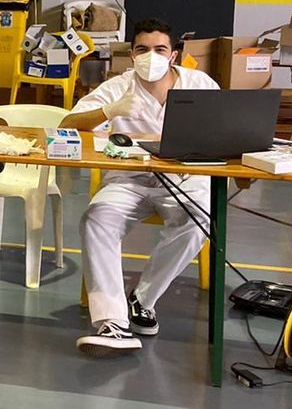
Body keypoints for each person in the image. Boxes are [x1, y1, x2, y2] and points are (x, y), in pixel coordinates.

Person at [60, 18, 218, 357]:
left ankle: (143, 300)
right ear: (132, 54)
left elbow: (224, 131)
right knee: (96, 219)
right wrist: (108, 110)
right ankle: (111, 322)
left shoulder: (199, 84)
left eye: (160, 49)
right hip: (129, 180)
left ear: (174, 54)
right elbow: (68, 124)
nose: (151, 56)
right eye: (142, 49)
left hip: (182, 179)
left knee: (200, 219)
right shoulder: (118, 87)